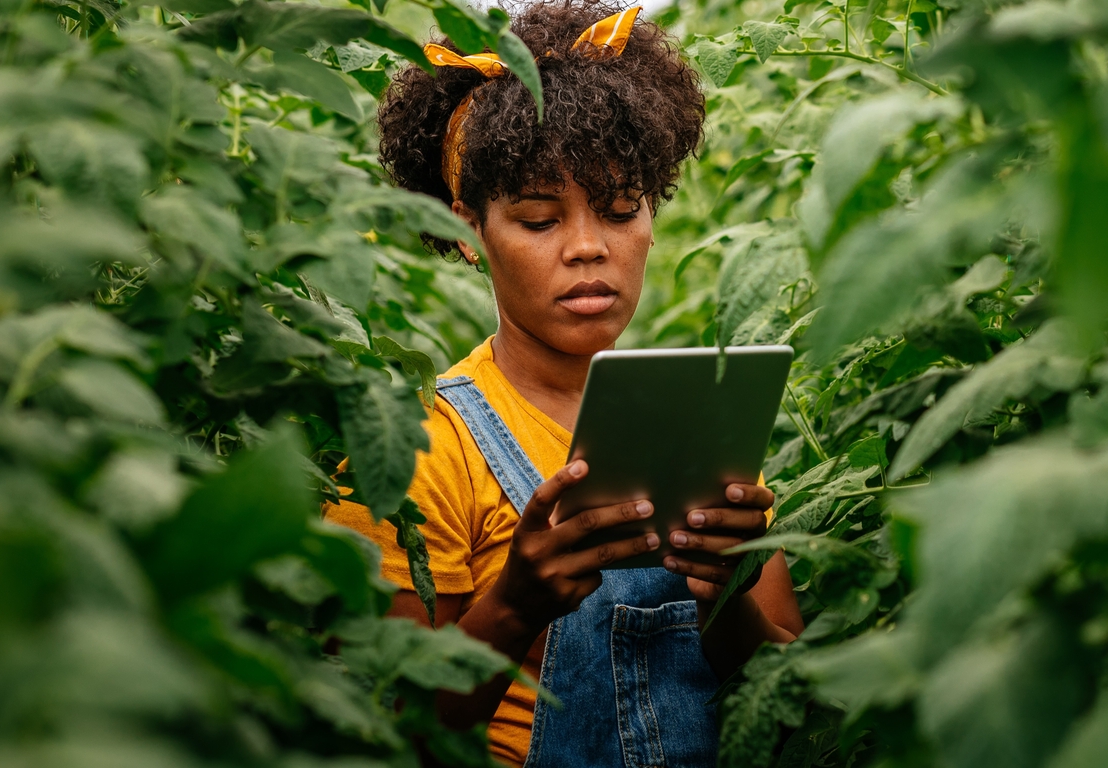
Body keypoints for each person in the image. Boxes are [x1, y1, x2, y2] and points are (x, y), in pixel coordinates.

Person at [323, 3, 802, 766]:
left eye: (619, 210)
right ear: (468, 232)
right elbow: (380, 727)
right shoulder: (413, 451)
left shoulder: (700, 419)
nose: (587, 248)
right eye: (540, 219)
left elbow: (788, 690)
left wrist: (728, 593)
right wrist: (515, 607)